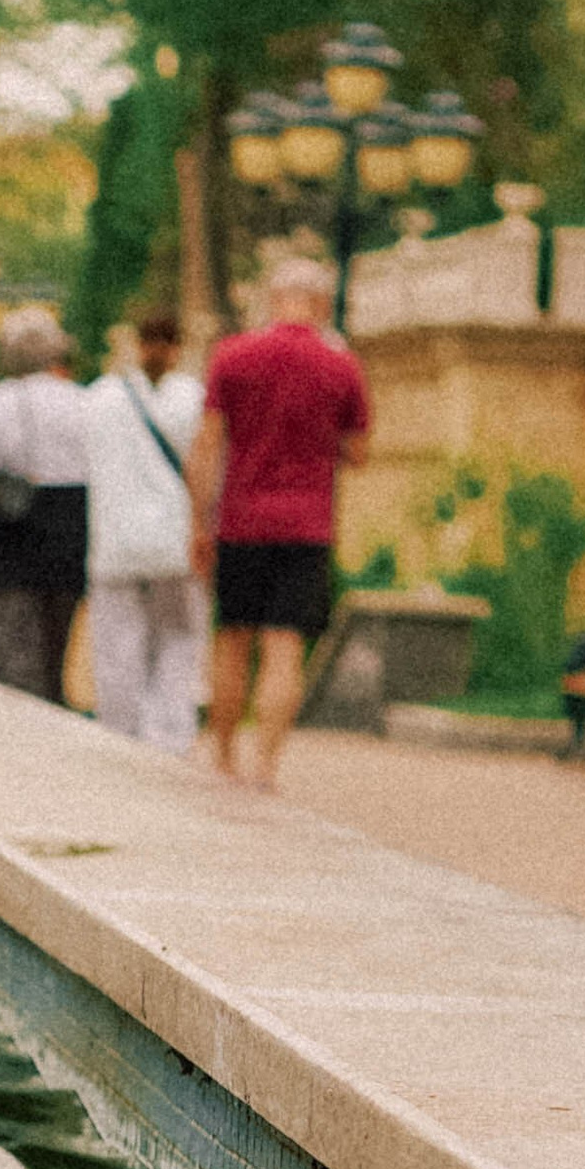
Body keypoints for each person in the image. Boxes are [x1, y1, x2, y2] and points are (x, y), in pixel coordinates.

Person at [190, 255, 370, 791]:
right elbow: (358, 452)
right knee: (284, 647)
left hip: (241, 522)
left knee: (232, 640)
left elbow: (207, 445)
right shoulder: (342, 367)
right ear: (320, 304)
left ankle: (224, 759)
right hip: (307, 526)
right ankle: (266, 768)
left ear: (273, 299)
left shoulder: (232, 357)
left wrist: (200, 523)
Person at [83, 309, 208, 751]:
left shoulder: (100, 398)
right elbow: (203, 469)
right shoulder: (193, 398)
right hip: (174, 545)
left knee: (117, 646)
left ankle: (122, 733)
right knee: (176, 641)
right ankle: (171, 735)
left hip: (116, 544)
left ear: (135, 344)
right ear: (178, 349)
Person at [0, 304, 89, 703]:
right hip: (70, 529)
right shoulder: (83, 401)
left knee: (14, 655)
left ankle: (24, 743)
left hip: (11, 536)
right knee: (53, 650)